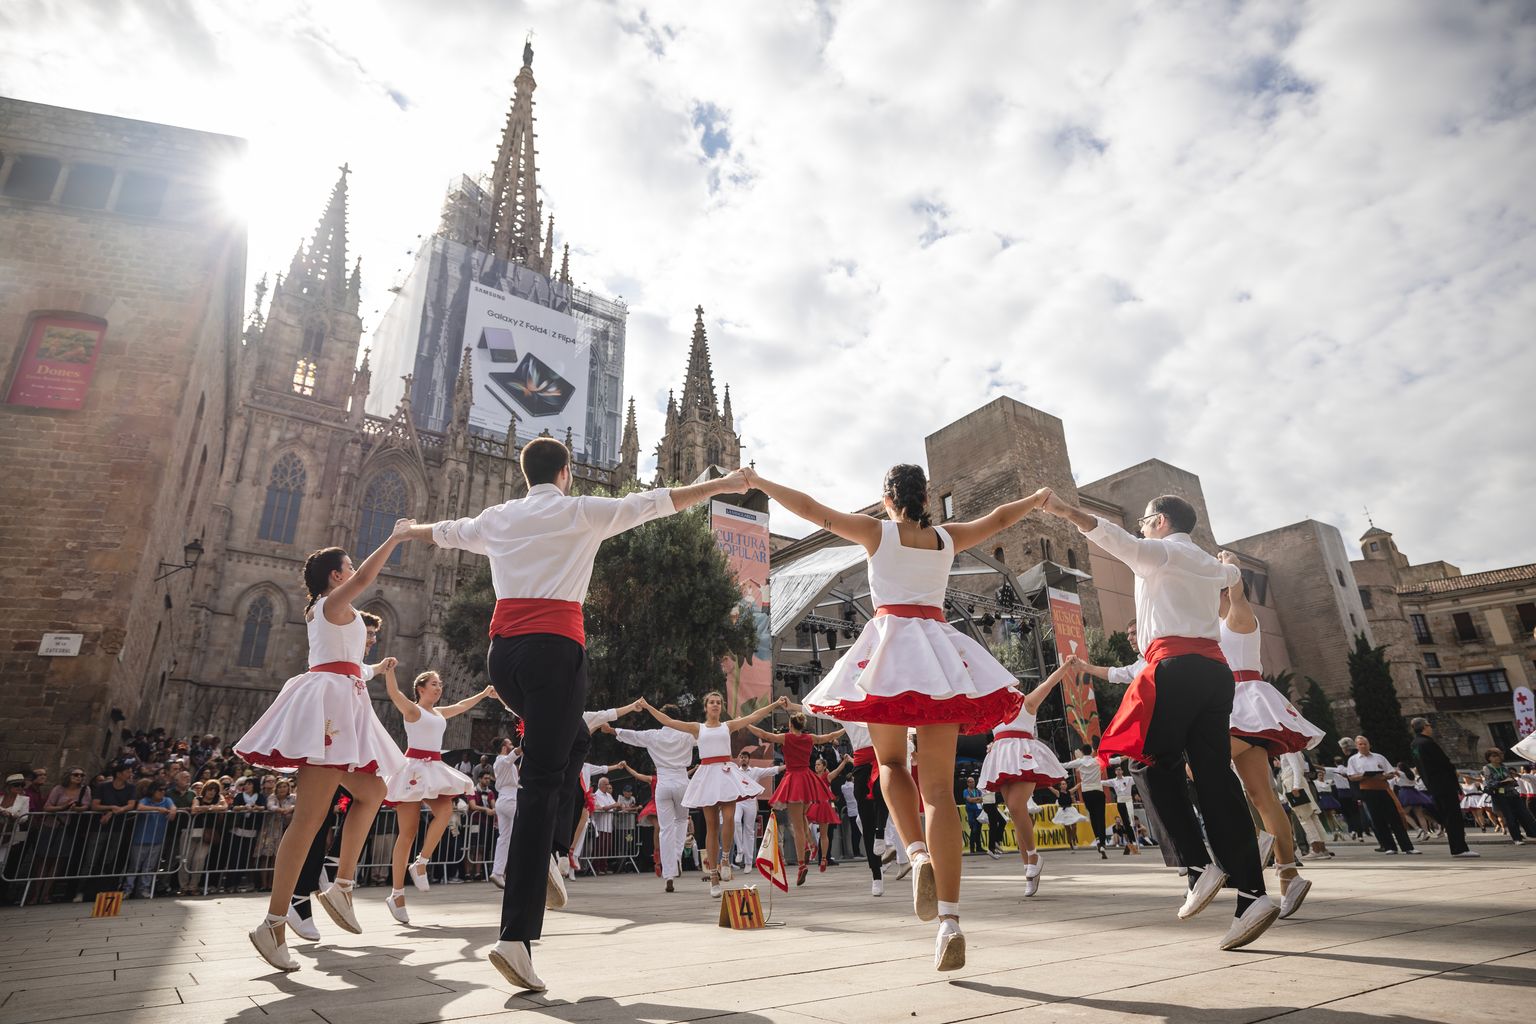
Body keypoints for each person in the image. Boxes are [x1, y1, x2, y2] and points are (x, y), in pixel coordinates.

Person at [403, 438, 749, 992]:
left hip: (504, 658)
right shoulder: (580, 510)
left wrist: (408, 529)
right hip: (554, 651)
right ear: (565, 474)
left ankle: (548, 852)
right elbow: (659, 500)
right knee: (545, 775)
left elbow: (448, 531)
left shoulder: (500, 517)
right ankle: (517, 934)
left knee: (570, 742)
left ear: (525, 475)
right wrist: (724, 486)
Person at [753, 463, 1047, 971]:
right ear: (926, 495)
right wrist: (1036, 498)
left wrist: (760, 483)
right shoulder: (945, 538)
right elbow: (999, 519)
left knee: (889, 765)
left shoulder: (876, 531)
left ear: (887, 499)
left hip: (889, 650)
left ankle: (915, 855)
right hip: (937, 652)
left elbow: (811, 510)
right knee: (940, 793)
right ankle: (950, 922)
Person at [1039, 491, 1277, 949]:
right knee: (1216, 780)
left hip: (1174, 667)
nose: (1143, 527)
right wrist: (1229, 563)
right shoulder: (1211, 565)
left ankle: (1196, 866)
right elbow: (1232, 573)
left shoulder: (1161, 553)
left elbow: (1109, 536)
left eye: (1147, 521)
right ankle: (1253, 896)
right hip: (1215, 672)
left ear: (1161, 522)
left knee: (1146, 763)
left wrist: (1064, 510)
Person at [234, 523, 414, 972]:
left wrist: (375, 668)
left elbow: (346, 661)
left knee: (372, 792)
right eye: (348, 567)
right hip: (331, 708)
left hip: (343, 698)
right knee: (309, 820)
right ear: (336, 576)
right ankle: (274, 921)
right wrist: (394, 538)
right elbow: (365, 582)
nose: (353, 572)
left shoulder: (330, 611)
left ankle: (341, 885)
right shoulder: (332, 603)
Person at [1217, 553, 1321, 918]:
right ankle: (1288, 875)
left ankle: (1256, 843)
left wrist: (1232, 571)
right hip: (1242, 709)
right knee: (1262, 796)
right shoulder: (1213, 628)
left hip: (1246, 704)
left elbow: (1240, 597)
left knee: (1201, 767)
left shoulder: (1237, 619)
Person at [641, 693, 786, 897]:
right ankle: (714, 875)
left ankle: (725, 857)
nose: (715, 705)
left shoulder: (727, 726)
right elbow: (668, 720)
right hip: (707, 775)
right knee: (711, 826)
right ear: (706, 707)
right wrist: (648, 706)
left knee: (729, 818)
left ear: (721, 707)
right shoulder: (697, 728)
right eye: (712, 702)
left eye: (718, 702)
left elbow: (754, 716)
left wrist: (775, 704)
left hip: (725, 773)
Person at [379, 669, 494, 924]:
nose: (439, 687)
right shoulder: (413, 711)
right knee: (407, 834)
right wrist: (389, 671)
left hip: (434, 767)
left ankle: (421, 862)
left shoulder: (439, 713)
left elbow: (463, 705)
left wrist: (484, 693)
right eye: (434, 684)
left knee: (444, 812)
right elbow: (394, 693)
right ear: (421, 688)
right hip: (413, 768)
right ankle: (397, 894)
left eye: (440, 684)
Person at [977, 659, 1073, 896]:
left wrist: (1066, 665)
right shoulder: (994, 710)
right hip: (1002, 758)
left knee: (1016, 805)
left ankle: (1033, 857)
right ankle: (1029, 868)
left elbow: (1050, 683)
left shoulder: (1027, 701)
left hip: (1025, 756)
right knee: (1014, 812)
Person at [606, 708, 695, 893]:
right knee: (681, 821)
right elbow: (710, 736)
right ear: (678, 719)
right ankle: (677, 857)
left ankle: (668, 874)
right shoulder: (687, 734)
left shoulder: (654, 735)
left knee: (665, 829)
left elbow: (634, 736)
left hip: (662, 781)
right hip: (681, 781)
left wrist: (613, 731)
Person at [1408, 718, 1474, 857]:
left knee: (1447, 816)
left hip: (1432, 785)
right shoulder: (1428, 743)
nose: (1431, 728)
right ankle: (1460, 848)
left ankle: (1458, 847)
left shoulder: (1415, 744)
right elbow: (1443, 762)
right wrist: (1453, 773)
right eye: (1429, 725)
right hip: (1444, 784)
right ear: (1425, 727)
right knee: (1453, 816)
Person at [1346, 735, 1418, 855]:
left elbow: (1390, 772)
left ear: (1369, 744)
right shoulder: (1353, 760)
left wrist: (1383, 776)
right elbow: (1351, 776)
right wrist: (1364, 776)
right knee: (1377, 819)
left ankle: (1407, 847)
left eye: (1365, 743)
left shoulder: (1379, 757)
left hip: (1383, 788)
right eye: (1360, 744)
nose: (1363, 746)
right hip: (1367, 790)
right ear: (1357, 746)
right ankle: (1389, 846)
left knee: (1395, 818)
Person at [730, 750, 783, 874]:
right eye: (741, 757)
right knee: (735, 820)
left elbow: (771, 770)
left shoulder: (755, 771)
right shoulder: (735, 772)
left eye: (745, 757)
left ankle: (748, 862)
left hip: (751, 802)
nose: (743, 759)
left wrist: (787, 766)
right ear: (739, 759)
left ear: (749, 760)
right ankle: (740, 851)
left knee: (749, 831)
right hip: (738, 801)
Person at [122, 780, 176, 898]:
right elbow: (140, 807)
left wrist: (173, 811)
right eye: (160, 790)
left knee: (149, 866)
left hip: (157, 840)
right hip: (140, 839)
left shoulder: (167, 800)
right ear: (153, 790)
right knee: (134, 866)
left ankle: (144, 889)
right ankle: (128, 889)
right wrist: (157, 809)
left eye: (164, 790)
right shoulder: (145, 800)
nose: (162, 792)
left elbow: (173, 808)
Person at [1278, 752, 1332, 859]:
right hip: (1298, 782)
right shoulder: (1297, 751)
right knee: (1311, 815)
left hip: (1293, 782)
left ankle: (1316, 849)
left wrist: (1296, 786)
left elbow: (1296, 768)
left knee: (1304, 817)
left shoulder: (1288, 750)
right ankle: (1322, 848)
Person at [1481, 747, 1536, 844]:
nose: (1497, 758)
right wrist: (1502, 782)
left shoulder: (1504, 767)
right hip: (1500, 795)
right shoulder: (1487, 768)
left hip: (1512, 793)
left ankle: (1531, 833)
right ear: (1489, 758)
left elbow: (1513, 781)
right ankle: (1516, 838)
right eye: (1494, 756)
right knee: (1509, 816)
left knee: (1524, 814)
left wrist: (1511, 780)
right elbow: (1489, 783)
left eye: (1498, 755)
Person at [490, 736, 521, 888]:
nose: (512, 745)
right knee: (525, 832)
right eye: (509, 743)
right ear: (504, 747)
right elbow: (517, 752)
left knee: (504, 838)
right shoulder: (502, 760)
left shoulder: (503, 763)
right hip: (510, 799)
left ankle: (497, 872)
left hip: (503, 799)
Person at [963, 777, 986, 855]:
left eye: (973, 782)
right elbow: (969, 800)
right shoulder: (966, 791)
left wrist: (975, 799)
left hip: (979, 813)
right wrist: (977, 799)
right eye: (970, 782)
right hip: (971, 813)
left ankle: (979, 847)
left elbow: (982, 799)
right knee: (973, 830)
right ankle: (972, 848)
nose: (972, 783)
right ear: (967, 783)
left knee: (979, 830)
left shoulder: (978, 791)